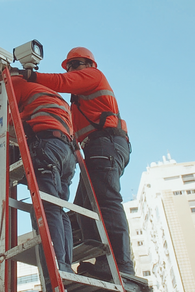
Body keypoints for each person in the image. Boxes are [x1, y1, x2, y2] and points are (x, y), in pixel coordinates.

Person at [24, 47, 135, 278]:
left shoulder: (94, 76)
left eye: (75, 65)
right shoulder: (79, 102)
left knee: (106, 202)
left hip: (106, 144)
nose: (72, 70)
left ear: (88, 64)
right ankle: (103, 260)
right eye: (70, 66)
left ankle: (121, 265)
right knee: (85, 207)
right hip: (101, 147)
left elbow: (62, 81)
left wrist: (30, 76)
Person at [10, 69, 77, 276]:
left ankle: (55, 267)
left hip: (47, 145)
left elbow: (8, 116)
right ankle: (65, 265)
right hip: (67, 153)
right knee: (58, 208)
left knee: (48, 208)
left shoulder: (16, 83)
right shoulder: (53, 94)